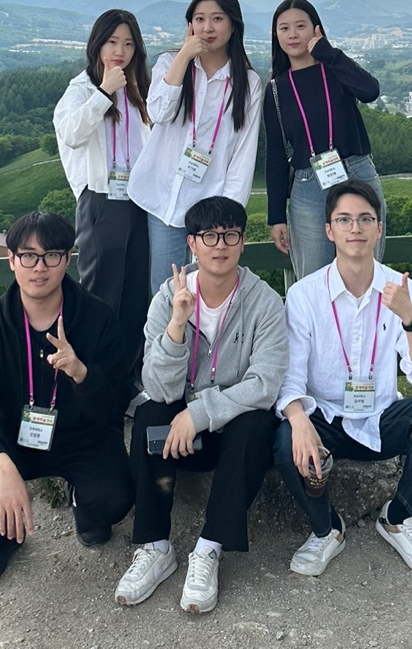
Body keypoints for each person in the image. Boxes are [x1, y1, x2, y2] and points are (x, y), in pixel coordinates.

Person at [115, 195, 288, 614]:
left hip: (230, 434)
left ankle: (209, 548)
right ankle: (155, 547)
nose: (220, 245)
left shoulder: (264, 301)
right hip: (180, 438)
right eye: (209, 236)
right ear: (191, 243)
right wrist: (177, 325)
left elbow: (265, 384)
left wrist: (199, 413)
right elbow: (157, 388)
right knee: (149, 414)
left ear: (243, 241)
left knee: (257, 424)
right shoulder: (167, 298)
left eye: (230, 235)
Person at [274, 180, 412, 579]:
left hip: (380, 418)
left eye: (365, 219)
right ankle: (326, 528)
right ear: (329, 230)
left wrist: (409, 318)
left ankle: (399, 517)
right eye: (344, 220)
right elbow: (290, 378)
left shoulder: (404, 291)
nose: (354, 228)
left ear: (378, 228)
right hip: (327, 421)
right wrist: (299, 420)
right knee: (286, 437)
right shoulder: (305, 295)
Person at [0, 211, 133, 588]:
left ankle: (83, 504)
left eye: (51, 255)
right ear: (11, 260)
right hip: (14, 436)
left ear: (68, 258)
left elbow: (115, 404)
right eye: (28, 256)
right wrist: (2, 466)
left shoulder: (97, 318)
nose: (39, 267)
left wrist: (82, 374)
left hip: (83, 435)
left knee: (115, 496)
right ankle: (2, 541)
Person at [129, 0, 262, 294]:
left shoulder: (247, 83)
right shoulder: (169, 64)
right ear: (189, 24)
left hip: (211, 203)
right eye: (199, 19)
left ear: (233, 25)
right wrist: (184, 56)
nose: (207, 28)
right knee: (165, 291)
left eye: (217, 19)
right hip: (164, 198)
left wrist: (227, 214)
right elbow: (158, 112)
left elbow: (243, 154)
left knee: (210, 290)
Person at [54, 9, 151, 381]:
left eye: (128, 44)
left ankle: (127, 383)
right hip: (101, 201)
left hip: (139, 201)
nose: (119, 51)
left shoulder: (138, 89)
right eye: (112, 42)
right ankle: (91, 380)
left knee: (136, 297)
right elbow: (71, 134)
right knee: (101, 296)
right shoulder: (81, 89)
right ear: (97, 44)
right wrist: (103, 92)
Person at [265, 0, 388, 281]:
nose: (293, 34)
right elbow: (275, 156)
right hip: (308, 186)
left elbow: (370, 91)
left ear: (316, 29)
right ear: (276, 35)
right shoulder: (276, 90)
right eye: (284, 28)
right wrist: (276, 216)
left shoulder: (336, 70)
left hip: (357, 173)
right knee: (313, 281)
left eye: (300, 26)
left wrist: (328, 53)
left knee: (366, 275)